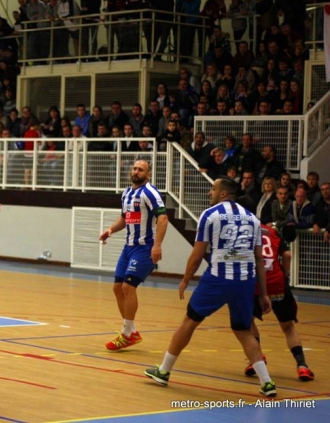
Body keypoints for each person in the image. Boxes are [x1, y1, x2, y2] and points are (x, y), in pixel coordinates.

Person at [144, 178, 277, 397]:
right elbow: (259, 260)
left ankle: (164, 371)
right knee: (244, 331)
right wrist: (263, 294)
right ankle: (267, 382)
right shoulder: (253, 219)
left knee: (189, 321)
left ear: (223, 193)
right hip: (245, 280)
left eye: (213, 189)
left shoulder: (210, 215)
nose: (210, 192)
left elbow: (197, 254)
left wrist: (186, 279)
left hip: (218, 278)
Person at [99, 160, 169, 351]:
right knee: (116, 288)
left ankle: (126, 333)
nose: (136, 171)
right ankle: (132, 332)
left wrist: (157, 245)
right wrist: (110, 230)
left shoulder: (150, 192)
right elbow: (125, 218)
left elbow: (163, 218)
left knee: (128, 287)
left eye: (141, 170)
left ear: (148, 175)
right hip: (128, 247)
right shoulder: (127, 193)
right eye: (135, 168)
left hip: (144, 247)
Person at [245, 223, 314, 382]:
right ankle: (302, 366)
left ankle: (256, 359)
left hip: (256, 284)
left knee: (248, 322)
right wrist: (285, 273)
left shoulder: (246, 231)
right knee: (288, 326)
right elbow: (288, 255)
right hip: (277, 282)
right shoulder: (272, 232)